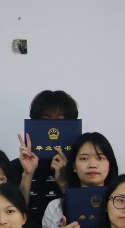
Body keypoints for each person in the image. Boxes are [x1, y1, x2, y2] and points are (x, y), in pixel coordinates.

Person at [14, 89, 78, 220]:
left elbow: (79, 212)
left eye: (60, 121)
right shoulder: (16, 166)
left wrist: (63, 181)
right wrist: (27, 174)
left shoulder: (78, 167)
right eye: (46, 120)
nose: (52, 127)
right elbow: (13, 214)